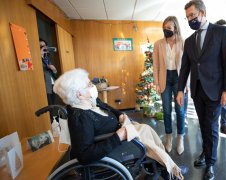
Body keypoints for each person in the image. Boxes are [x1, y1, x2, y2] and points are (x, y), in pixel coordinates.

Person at [53, 68, 184, 179]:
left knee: (146, 130)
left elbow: (107, 107)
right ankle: (167, 167)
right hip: (116, 146)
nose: (93, 86)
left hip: (122, 133)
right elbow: (84, 155)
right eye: (89, 85)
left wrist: (119, 114)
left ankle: (162, 164)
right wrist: (118, 136)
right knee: (146, 134)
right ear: (78, 94)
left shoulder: (91, 101)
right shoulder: (80, 117)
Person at [176, 1, 226, 179]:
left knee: (211, 126)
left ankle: (210, 163)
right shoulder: (189, 41)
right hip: (197, 90)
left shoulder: (221, 32)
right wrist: (180, 90)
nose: (190, 20)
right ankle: (205, 152)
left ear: (202, 13)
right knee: (203, 125)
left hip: (216, 90)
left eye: (192, 15)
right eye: (187, 17)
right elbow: (185, 67)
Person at [153, 16, 189, 155]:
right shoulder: (158, 44)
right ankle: (168, 138)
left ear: (175, 28)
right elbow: (155, 65)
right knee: (167, 110)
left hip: (179, 78)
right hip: (165, 78)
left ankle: (180, 138)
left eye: (169, 28)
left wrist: (187, 84)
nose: (166, 30)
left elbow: (187, 65)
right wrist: (156, 83)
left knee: (180, 111)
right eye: (164, 28)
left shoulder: (183, 42)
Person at [40, 38, 58, 122]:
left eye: (44, 46)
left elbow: (55, 73)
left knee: (53, 104)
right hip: (45, 85)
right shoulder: (38, 59)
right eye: (41, 46)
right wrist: (40, 54)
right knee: (49, 105)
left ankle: (53, 121)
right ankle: (50, 122)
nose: (43, 47)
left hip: (52, 84)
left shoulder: (47, 59)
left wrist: (54, 69)